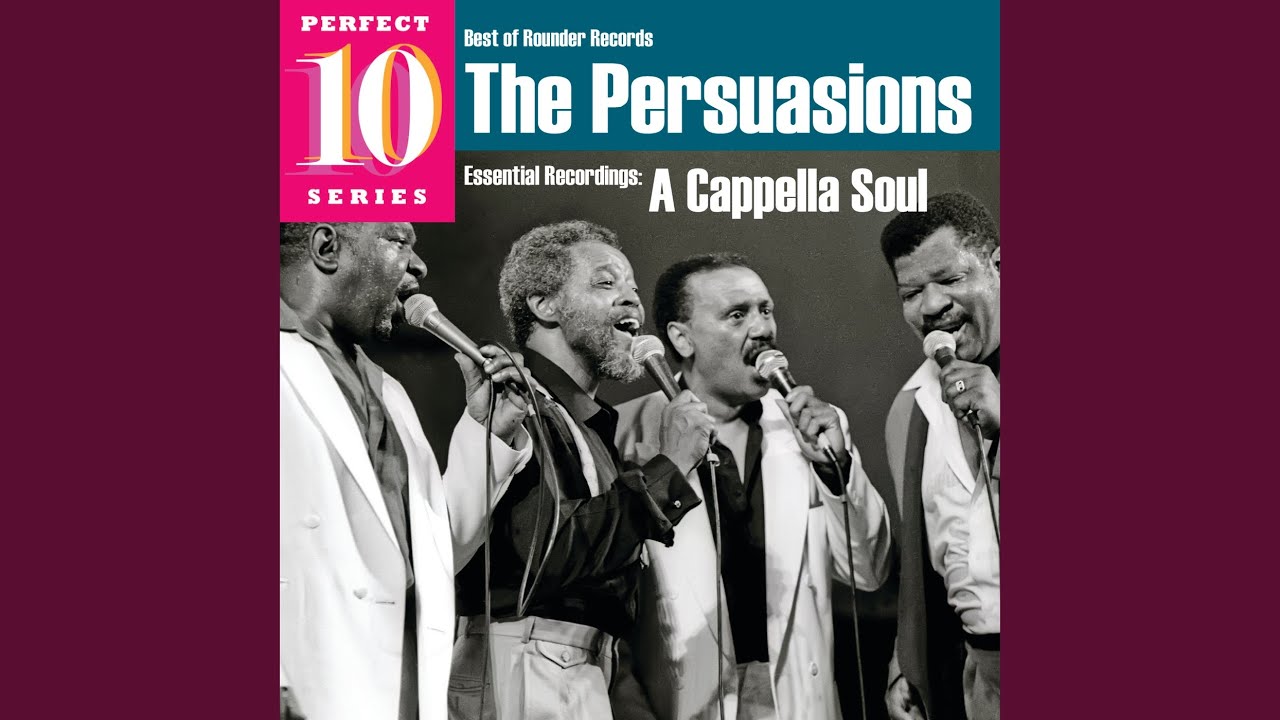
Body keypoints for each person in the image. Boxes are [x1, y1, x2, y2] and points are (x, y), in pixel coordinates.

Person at [449, 220, 716, 720]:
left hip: (585, 669)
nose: (632, 300)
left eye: (632, 287)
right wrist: (671, 466)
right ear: (544, 305)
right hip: (521, 669)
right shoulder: (515, 403)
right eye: (605, 282)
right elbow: (546, 553)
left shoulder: (589, 427)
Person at [615, 253, 894, 720]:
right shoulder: (626, 434)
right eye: (737, 314)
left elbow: (869, 571)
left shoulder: (814, 426)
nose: (763, 327)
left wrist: (836, 469)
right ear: (682, 338)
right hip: (684, 700)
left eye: (766, 310)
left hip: (797, 698)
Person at [279, 222, 534, 720]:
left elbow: (433, 557)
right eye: (398, 241)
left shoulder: (389, 393)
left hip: (398, 694)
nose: (419, 266)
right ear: (327, 247)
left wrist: (491, 429)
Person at [878, 193, 1001, 720]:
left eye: (949, 280)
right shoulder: (910, 409)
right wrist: (904, 659)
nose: (930, 306)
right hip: (980, 681)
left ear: (999, 266)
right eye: (911, 293)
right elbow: (927, 565)